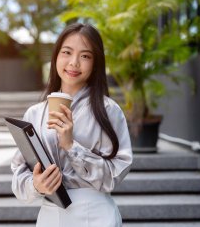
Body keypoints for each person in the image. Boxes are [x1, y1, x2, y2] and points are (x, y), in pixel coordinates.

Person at [11, 23, 133, 227]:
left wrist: (71, 146)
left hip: (96, 216)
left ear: (95, 63)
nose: (74, 62)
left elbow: (114, 175)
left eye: (85, 56)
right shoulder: (34, 113)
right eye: (67, 52)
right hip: (50, 215)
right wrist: (37, 185)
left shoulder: (108, 111)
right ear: (56, 56)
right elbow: (19, 172)